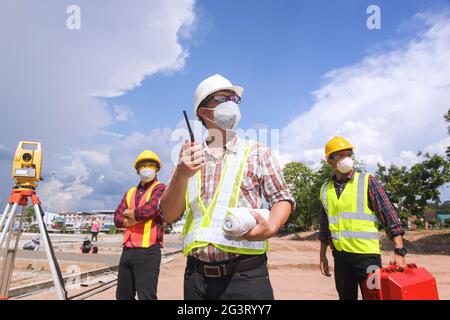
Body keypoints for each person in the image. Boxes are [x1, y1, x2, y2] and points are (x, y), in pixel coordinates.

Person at [160, 74, 295, 300]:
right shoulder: (186, 160)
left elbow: (282, 197)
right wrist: (181, 175)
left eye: (234, 98)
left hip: (246, 278)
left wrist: (272, 225)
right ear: (203, 112)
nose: (231, 103)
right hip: (196, 280)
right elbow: (169, 215)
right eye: (222, 99)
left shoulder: (257, 152)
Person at [318, 136, 407, 300]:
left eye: (349, 154)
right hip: (341, 258)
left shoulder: (367, 181)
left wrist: (399, 251)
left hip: (368, 258)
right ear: (330, 161)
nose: (346, 158)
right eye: (340, 155)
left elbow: (389, 216)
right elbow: (325, 226)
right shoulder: (325, 189)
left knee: (374, 297)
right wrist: (322, 255)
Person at [114, 150, 166, 300]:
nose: (146, 168)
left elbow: (150, 211)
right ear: (137, 170)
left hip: (148, 251)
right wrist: (131, 219)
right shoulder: (130, 192)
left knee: (147, 296)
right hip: (128, 250)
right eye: (143, 165)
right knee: (122, 296)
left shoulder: (161, 188)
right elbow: (116, 218)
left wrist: (130, 215)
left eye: (150, 165)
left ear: (157, 169)